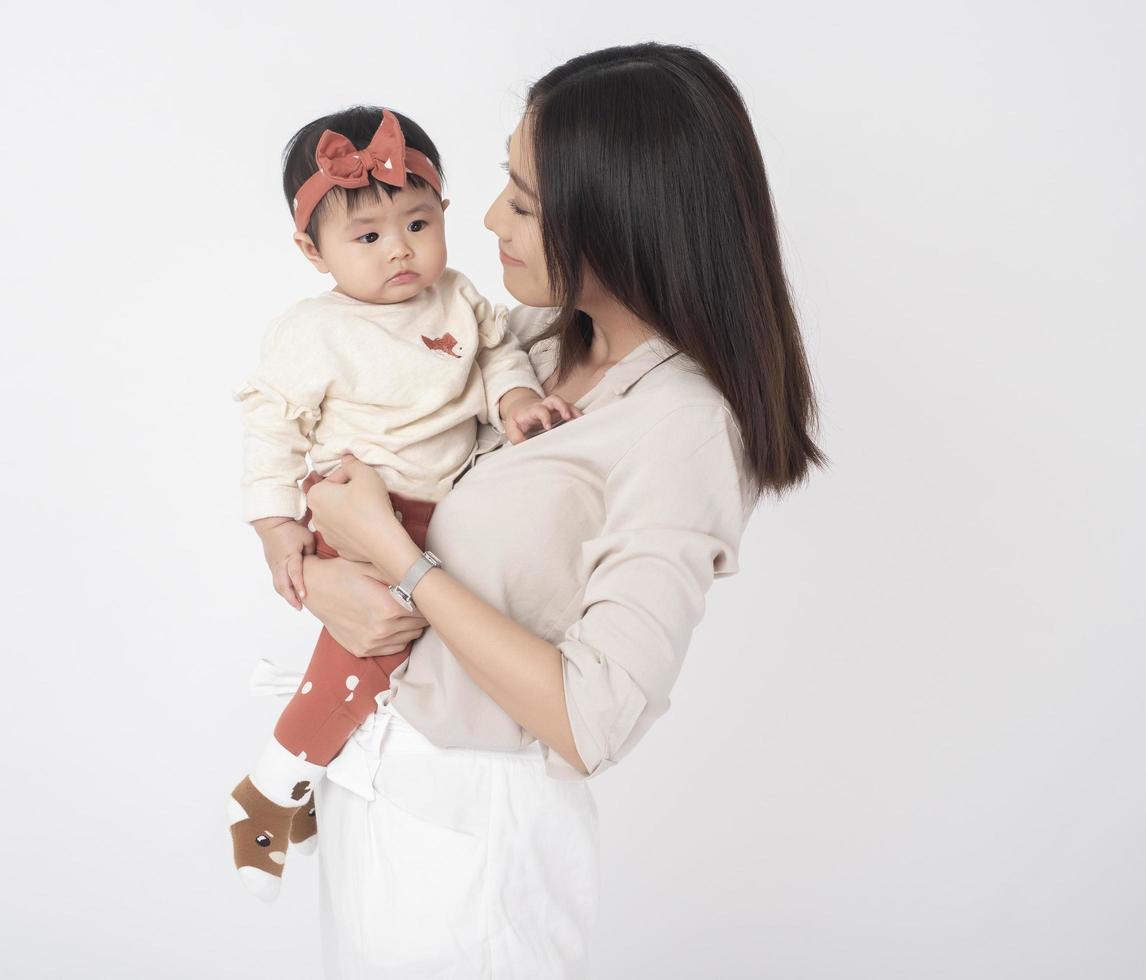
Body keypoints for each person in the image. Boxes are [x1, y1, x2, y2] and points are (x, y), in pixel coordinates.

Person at [296, 42, 825, 977]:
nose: (490, 217)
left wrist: (397, 560)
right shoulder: (523, 343)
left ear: (624, 221)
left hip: (478, 848)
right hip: (378, 785)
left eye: (527, 202)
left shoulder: (683, 427)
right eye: (505, 180)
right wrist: (304, 568)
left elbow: (593, 720)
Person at [225, 105, 576, 902]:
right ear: (313, 252)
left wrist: (517, 399)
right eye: (369, 237)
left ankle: (312, 772)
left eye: (417, 222)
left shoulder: (460, 301)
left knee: (408, 663)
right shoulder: (313, 333)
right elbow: (269, 431)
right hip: (368, 507)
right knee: (372, 649)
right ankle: (271, 786)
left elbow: (498, 354)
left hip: (443, 511)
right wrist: (278, 531)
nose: (401, 251)